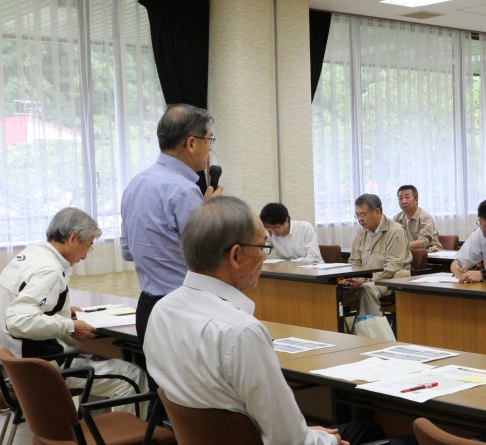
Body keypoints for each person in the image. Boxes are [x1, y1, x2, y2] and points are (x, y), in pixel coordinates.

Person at [145, 197, 400, 445]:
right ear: (236, 256)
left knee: (364, 428)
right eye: (262, 247)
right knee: (394, 436)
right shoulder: (242, 332)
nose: (265, 257)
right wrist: (326, 439)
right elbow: (289, 441)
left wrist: (306, 432)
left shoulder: (162, 311)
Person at [0, 208, 146, 412]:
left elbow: (19, 306)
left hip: (16, 365)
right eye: (88, 246)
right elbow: (18, 321)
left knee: (105, 367)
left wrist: (61, 311)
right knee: (132, 377)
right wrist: (68, 326)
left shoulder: (30, 255)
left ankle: (97, 433)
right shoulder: (50, 269)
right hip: (43, 366)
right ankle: (128, 438)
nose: (85, 256)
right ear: (73, 237)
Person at [120, 103, 223, 342]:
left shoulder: (136, 183)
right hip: (183, 310)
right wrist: (209, 214)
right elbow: (206, 259)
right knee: (194, 380)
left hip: (148, 308)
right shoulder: (184, 190)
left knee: (160, 380)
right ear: (191, 143)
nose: (210, 148)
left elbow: (127, 251)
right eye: (209, 139)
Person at [348, 194, 412, 318]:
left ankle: (373, 332)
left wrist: (366, 280)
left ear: (377, 212)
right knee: (335, 288)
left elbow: (393, 267)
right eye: (357, 215)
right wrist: (351, 278)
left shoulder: (395, 231)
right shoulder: (362, 231)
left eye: (363, 214)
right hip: (366, 280)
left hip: (391, 280)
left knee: (366, 289)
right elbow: (354, 261)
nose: (360, 219)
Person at [393, 185, 441, 251]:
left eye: (407, 197)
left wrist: (401, 247)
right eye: (400, 198)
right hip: (408, 255)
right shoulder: (396, 219)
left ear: (416, 200)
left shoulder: (425, 218)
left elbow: (423, 242)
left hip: (431, 256)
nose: (403, 201)